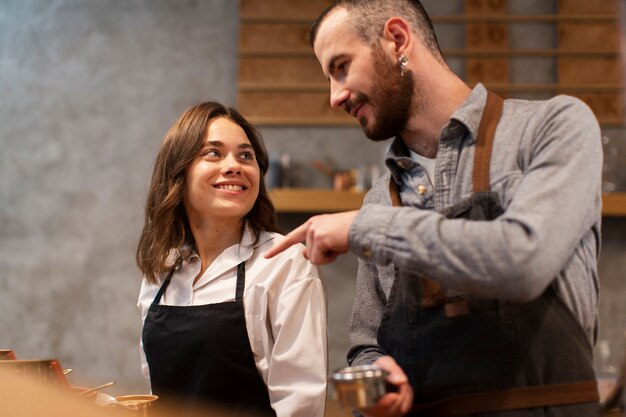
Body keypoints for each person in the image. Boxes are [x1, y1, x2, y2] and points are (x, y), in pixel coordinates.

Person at [265, 1, 603, 416]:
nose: (335, 97)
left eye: (340, 67)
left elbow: (524, 261)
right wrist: (378, 382)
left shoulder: (553, 127)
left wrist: (367, 228)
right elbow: (366, 345)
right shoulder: (379, 199)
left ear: (397, 39)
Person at [136, 102, 327, 417]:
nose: (234, 165)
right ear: (178, 173)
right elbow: (158, 392)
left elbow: (300, 404)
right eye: (213, 153)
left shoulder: (284, 261)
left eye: (246, 156)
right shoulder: (162, 270)